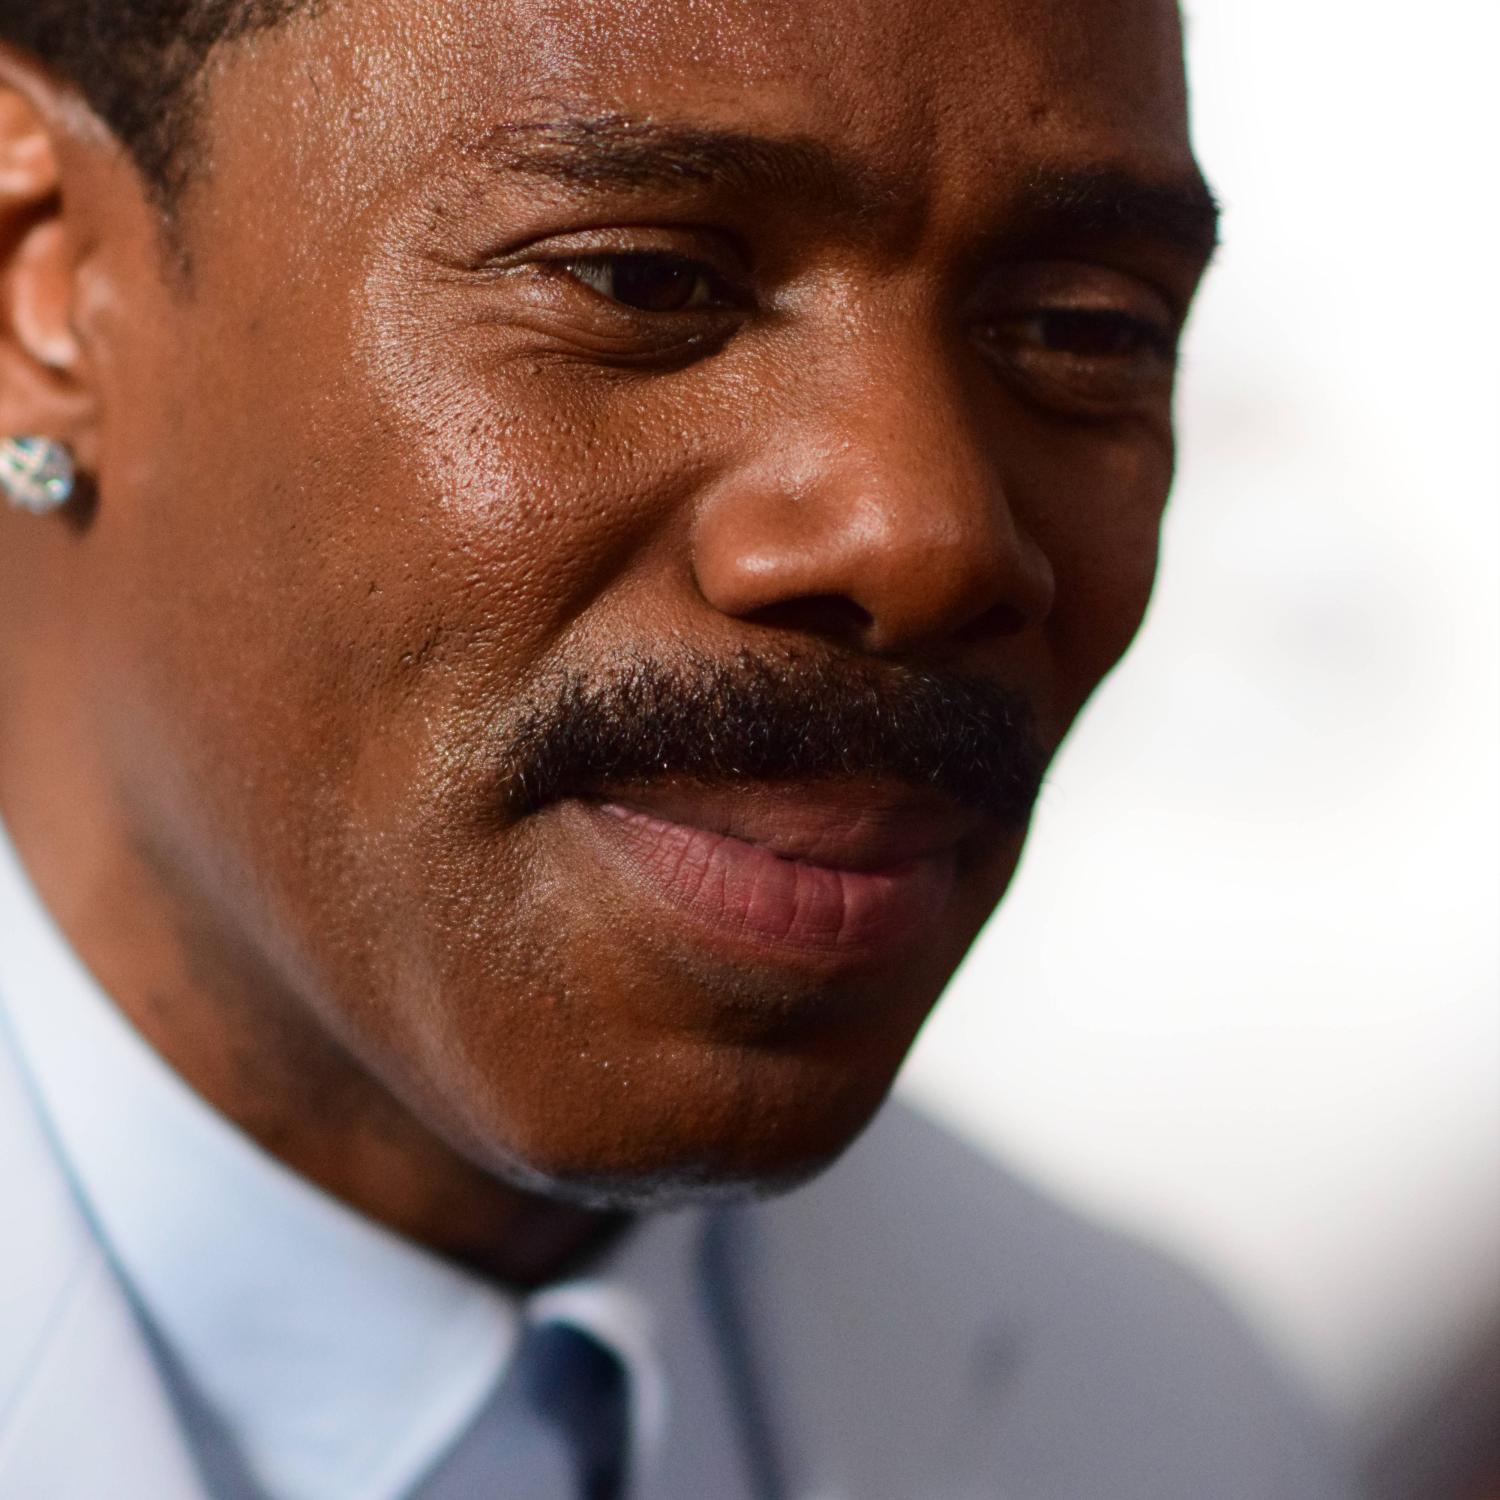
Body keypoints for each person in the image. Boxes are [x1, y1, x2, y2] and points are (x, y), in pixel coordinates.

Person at [0, 1, 1358, 1496]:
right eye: (642, 280)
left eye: (1081, 328)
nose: (925, 534)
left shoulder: (1178, 1425)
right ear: (37, 277)